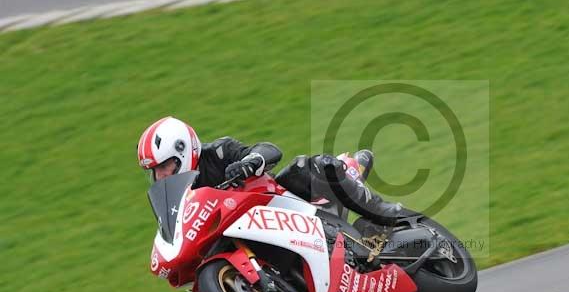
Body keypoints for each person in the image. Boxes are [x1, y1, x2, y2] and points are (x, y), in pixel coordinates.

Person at [136, 116, 410, 226]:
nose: (161, 175)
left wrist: (250, 162)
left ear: (183, 150)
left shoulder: (218, 152)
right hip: (245, 231)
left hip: (282, 206)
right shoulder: (179, 202)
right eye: (155, 171)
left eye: (164, 166)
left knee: (301, 167)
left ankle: (382, 209)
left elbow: (269, 150)